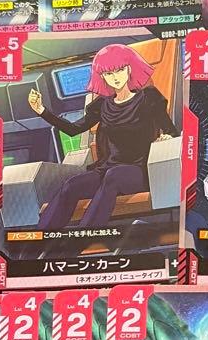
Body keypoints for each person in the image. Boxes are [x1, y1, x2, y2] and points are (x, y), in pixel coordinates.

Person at [30, 43, 177, 230]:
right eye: (109, 73)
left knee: (113, 176)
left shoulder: (149, 98)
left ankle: (85, 235)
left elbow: (171, 131)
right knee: (71, 186)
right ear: (103, 77)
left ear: (129, 69)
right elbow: (74, 129)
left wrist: (167, 139)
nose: (115, 77)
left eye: (119, 70)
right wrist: (42, 111)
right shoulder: (102, 105)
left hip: (141, 170)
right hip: (107, 170)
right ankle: (40, 237)